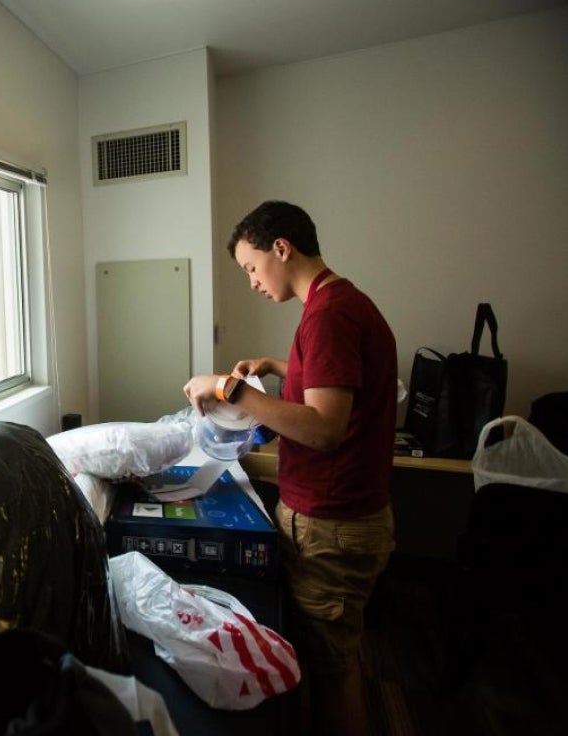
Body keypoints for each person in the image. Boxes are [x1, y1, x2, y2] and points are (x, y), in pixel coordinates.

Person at [183, 200, 396, 736]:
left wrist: (228, 388)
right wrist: (275, 366)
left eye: (251, 267)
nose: (252, 282)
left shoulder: (326, 317)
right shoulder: (338, 303)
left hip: (332, 524)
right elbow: (335, 381)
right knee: (334, 658)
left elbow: (324, 428)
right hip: (345, 517)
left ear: (282, 248)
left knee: (333, 671)